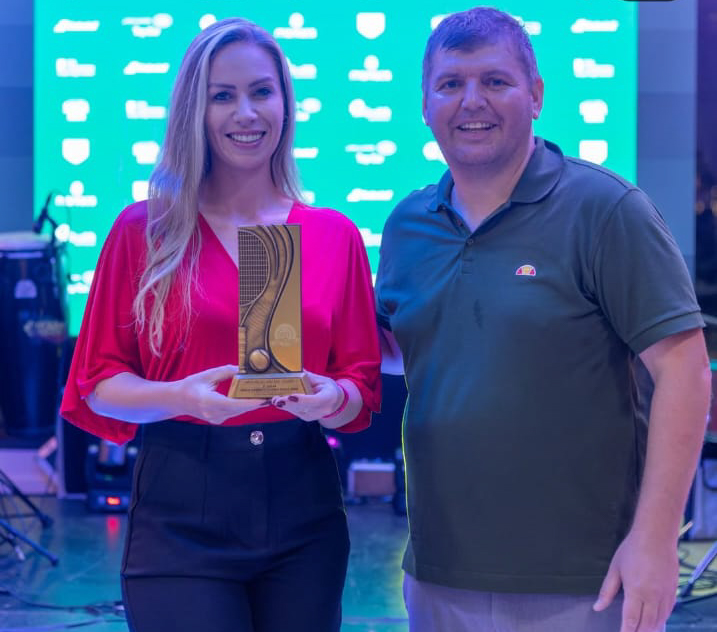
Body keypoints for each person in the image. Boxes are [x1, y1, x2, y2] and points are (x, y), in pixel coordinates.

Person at [375, 7, 711, 632]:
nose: (471, 101)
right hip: (438, 574)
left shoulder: (606, 209)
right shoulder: (407, 226)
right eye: (450, 84)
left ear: (535, 95)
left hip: (587, 580)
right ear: (425, 105)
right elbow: (403, 351)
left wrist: (655, 540)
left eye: (495, 81)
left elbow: (685, 373)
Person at [60, 17, 381, 632]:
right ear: (195, 110)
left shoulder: (333, 235)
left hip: (305, 507)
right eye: (223, 96)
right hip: (181, 505)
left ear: (285, 104)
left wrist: (330, 399)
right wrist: (183, 397)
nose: (246, 113)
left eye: (261, 92)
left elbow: (359, 392)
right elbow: (98, 384)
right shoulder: (145, 230)